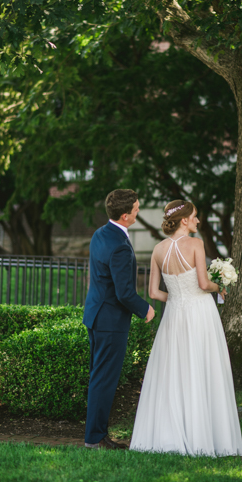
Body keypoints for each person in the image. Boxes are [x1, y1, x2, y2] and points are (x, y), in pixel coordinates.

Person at [130, 200, 242, 457]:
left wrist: (176, 298)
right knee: (202, 367)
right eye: (194, 216)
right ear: (184, 220)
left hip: (174, 315)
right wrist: (221, 287)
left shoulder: (158, 249)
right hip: (200, 313)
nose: (197, 220)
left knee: (173, 370)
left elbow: (153, 292)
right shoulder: (195, 244)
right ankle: (204, 435)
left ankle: (168, 432)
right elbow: (204, 284)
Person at [84, 189, 156, 450]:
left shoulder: (101, 234)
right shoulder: (120, 247)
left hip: (95, 315)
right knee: (105, 378)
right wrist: (145, 309)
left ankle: (94, 434)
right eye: (136, 208)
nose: (138, 211)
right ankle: (95, 438)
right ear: (126, 215)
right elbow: (124, 292)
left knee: (98, 377)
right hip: (110, 322)